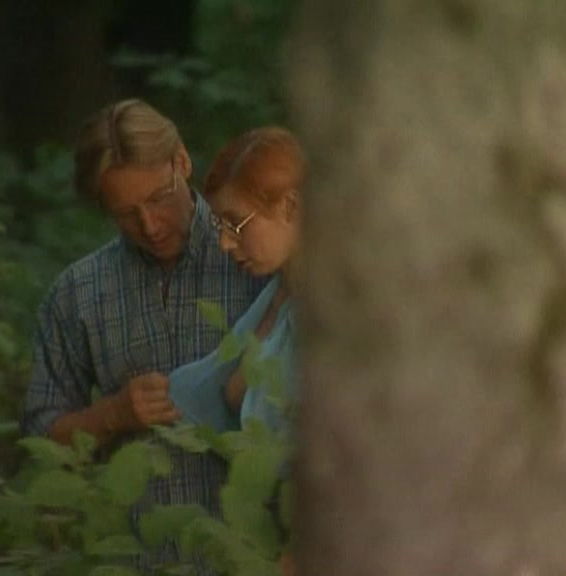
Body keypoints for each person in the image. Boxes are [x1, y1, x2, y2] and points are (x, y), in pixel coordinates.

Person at [21, 99, 266, 572]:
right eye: (126, 213)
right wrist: (113, 415)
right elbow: (41, 441)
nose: (149, 226)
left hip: (253, 560)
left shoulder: (256, 257)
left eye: (157, 199)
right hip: (136, 561)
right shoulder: (77, 295)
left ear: (182, 161)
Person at [168, 126, 304, 434]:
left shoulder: (337, 308)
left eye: (236, 224)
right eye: (220, 226)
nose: (225, 243)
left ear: (290, 207)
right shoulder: (279, 292)